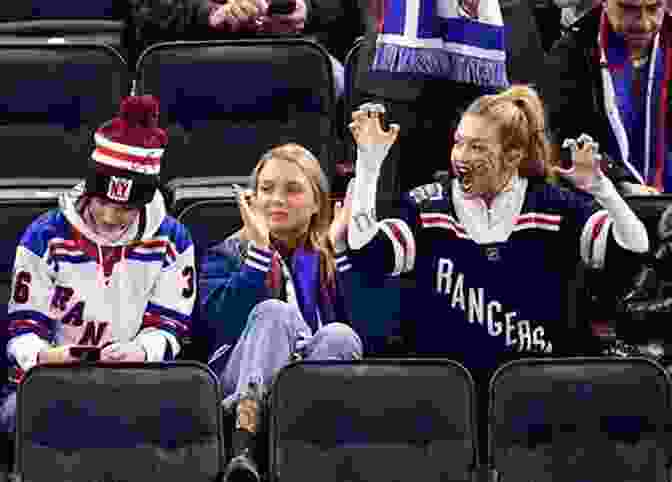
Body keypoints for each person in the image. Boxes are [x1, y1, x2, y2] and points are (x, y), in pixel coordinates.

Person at [346, 86, 649, 377]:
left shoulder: (554, 206)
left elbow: (634, 250)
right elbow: (367, 255)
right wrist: (369, 164)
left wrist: (602, 189)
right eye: (458, 142)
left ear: (513, 156)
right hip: (448, 394)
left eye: (477, 146)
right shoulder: (428, 206)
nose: (460, 156)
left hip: (542, 389)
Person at [0, 95, 196, 469]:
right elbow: (22, 327)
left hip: (137, 383)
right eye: (102, 201)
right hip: (49, 383)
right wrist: (44, 357)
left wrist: (140, 351)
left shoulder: (173, 241)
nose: (108, 216)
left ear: (145, 200)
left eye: (123, 208)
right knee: (22, 415)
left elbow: (170, 326)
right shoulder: (44, 236)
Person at [199, 143, 362, 482]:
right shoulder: (226, 254)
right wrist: (258, 256)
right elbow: (212, 325)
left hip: (303, 391)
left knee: (340, 335)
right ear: (253, 199)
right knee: (275, 313)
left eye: (292, 190)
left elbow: (371, 331)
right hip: (238, 382)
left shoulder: (328, 259)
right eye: (266, 189)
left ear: (317, 201)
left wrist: (340, 249)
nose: (276, 199)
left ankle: (306, 455)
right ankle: (244, 450)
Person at [544, 0, 671, 193]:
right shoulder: (572, 52)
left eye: (654, 8)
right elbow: (570, 140)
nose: (644, 23)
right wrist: (619, 184)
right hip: (604, 199)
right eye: (628, 9)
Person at [126, 0, 364, 99]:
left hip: (289, 51)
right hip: (191, 53)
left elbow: (346, 9)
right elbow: (147, 12)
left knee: (339, 81)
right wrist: (211, 14)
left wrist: (307, 9)